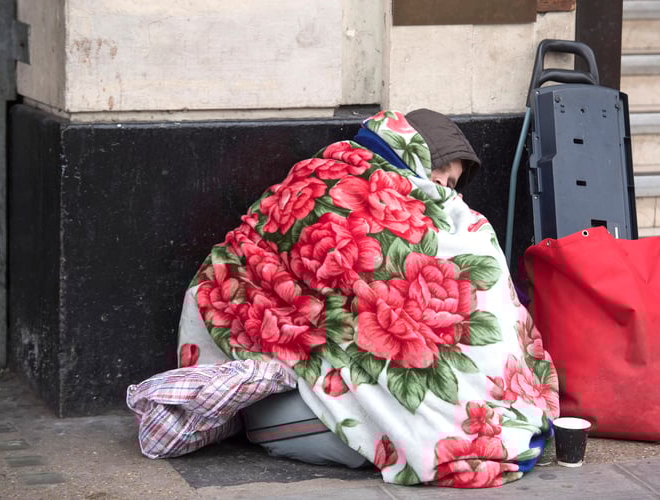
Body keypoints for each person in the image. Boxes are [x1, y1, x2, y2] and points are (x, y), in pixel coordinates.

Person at [130, 109, 560, 489]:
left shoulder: (327, 174)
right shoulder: (337, 181)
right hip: (291, 380)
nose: (447, 196)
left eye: (452, 187)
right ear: (414, 157)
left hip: (280, 382)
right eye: (441, 178)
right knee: (385, 428)